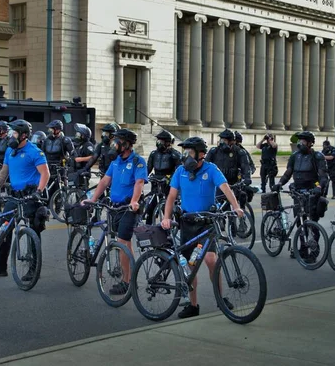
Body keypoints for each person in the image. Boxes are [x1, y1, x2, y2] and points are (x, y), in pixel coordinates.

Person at [161, 137, 245, 319]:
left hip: (207, 223)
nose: (186, 157)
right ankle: (193, 305)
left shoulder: (211, 169)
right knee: (191, 265)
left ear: (201, 154)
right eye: (185, 152)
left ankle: (220, 298)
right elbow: (171, 197)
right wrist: (166, 218)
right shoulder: (180, 171)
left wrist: (235, 206)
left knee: (210, 259)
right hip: (187, 222)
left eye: (190, 153)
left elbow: (225, 187)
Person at [82, 128, 147, 295]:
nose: (114, 144)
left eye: (117, 141)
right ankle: (129, 279)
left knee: (123, 242)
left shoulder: (138, 161)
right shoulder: (116, 161)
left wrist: (134, 201)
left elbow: (139, 183)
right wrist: (93, 199)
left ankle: (127, 282)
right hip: (114, 207)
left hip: (128, 208)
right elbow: (104, 181)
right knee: (121, 244)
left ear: (125, 144)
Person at [0, 120, 50, 277]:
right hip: (14, 197)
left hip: (30, 196)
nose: (10, 136)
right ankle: (0, 267)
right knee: (3, 230)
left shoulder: (34, 152)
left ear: (23, 136)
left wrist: (39, 191)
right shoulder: (10, 150)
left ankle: (33, 270)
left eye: (14, 133)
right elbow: (4, 172)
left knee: (33, 230)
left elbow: (45, 173)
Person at [272, 131, 328, 260]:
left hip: (311, 193)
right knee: (300, 222)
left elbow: (324, 176)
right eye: (299, 140)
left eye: (303, 141)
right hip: (297, 193)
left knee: (312, 222)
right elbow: (288, 173)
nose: (300, 143)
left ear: (310, 143)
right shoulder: (294, 156)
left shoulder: (318, 156)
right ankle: (302, 249)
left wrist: (319, 187)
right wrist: (280, 183)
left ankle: (313, 251)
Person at [145, 130, 182, 223]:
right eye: (158, 141)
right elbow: (148, 168)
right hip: (156, 182)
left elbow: (178, 172)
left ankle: (172, 227)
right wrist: (142, 179)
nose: (159, 143)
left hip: (168, 183)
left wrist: (169, 178)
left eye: (161, 141)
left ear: (168, 142)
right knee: (150, 207)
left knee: (169, 208)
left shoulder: (175, 155)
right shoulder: (154, 154)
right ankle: (148, 228)